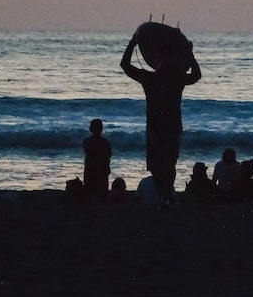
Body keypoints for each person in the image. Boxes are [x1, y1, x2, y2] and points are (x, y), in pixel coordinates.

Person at [120, 30, 201, 209]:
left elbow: (196, 76)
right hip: (158, 127)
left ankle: (165, 197)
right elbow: (125, 65)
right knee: (158, 166)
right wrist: (132, 43)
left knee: (167, 164)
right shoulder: (152, 78)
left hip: (169, 127)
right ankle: (163, 196)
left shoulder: (171, 78)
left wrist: (190, 55)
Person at [83, 118, 112, 202]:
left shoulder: (86, 142)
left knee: (89, 192)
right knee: (102, 194)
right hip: (102, 170)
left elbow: (88, 153)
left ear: (90, 129)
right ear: (101, 129)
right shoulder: (105, 142)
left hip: (90, 170)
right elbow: (109, 155)